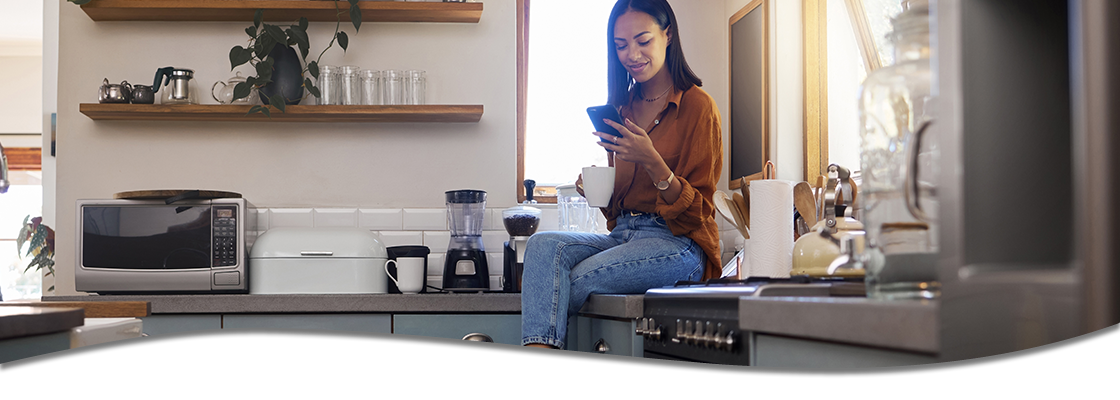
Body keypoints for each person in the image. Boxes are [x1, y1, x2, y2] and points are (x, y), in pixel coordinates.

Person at [521, 0, 723, 349]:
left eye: (643, 40)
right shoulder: (623, 107)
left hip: (678, 244)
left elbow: (698, 214)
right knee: (543, 246)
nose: (632, 53)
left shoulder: (697, 106)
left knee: (572, 279)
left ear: (668, 34)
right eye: (620, 45)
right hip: (624, 237)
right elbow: (617, 215)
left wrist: (652, 160)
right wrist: (598, 191)